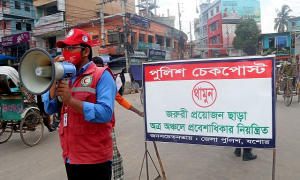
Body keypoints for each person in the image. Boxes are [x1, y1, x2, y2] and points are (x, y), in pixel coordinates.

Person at [43, 29, 117, 180]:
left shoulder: (102, 75)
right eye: (64, 48)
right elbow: (49, 108)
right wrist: (53, 76)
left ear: (86, 51)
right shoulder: (64, 75)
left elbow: (105, 113)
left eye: (71, 48)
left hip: (95, 159)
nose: (66, 52)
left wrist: (70, 100)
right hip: (70, 156)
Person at [92, 56, 144, 180]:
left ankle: (118, 177)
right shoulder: (87, 82)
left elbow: (120, 100)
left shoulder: (106, 83)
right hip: (91, 127)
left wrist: (137, 112)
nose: (97, 72)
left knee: (113, 154)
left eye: (99, 68)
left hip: (108, 126)